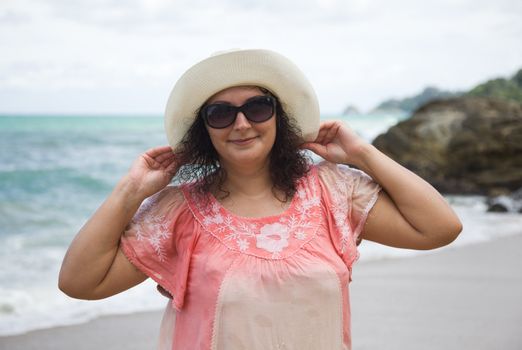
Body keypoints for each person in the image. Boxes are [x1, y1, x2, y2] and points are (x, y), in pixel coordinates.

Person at [59, 49, 463, 349]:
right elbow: (79, 283)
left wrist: (362, 154)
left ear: (279, 116)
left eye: (257, 107)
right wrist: (130, 191)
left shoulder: (333, 192)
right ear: (204, 130)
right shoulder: (178, 211)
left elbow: (441, 227)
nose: (241, 124)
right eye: (220, 113)